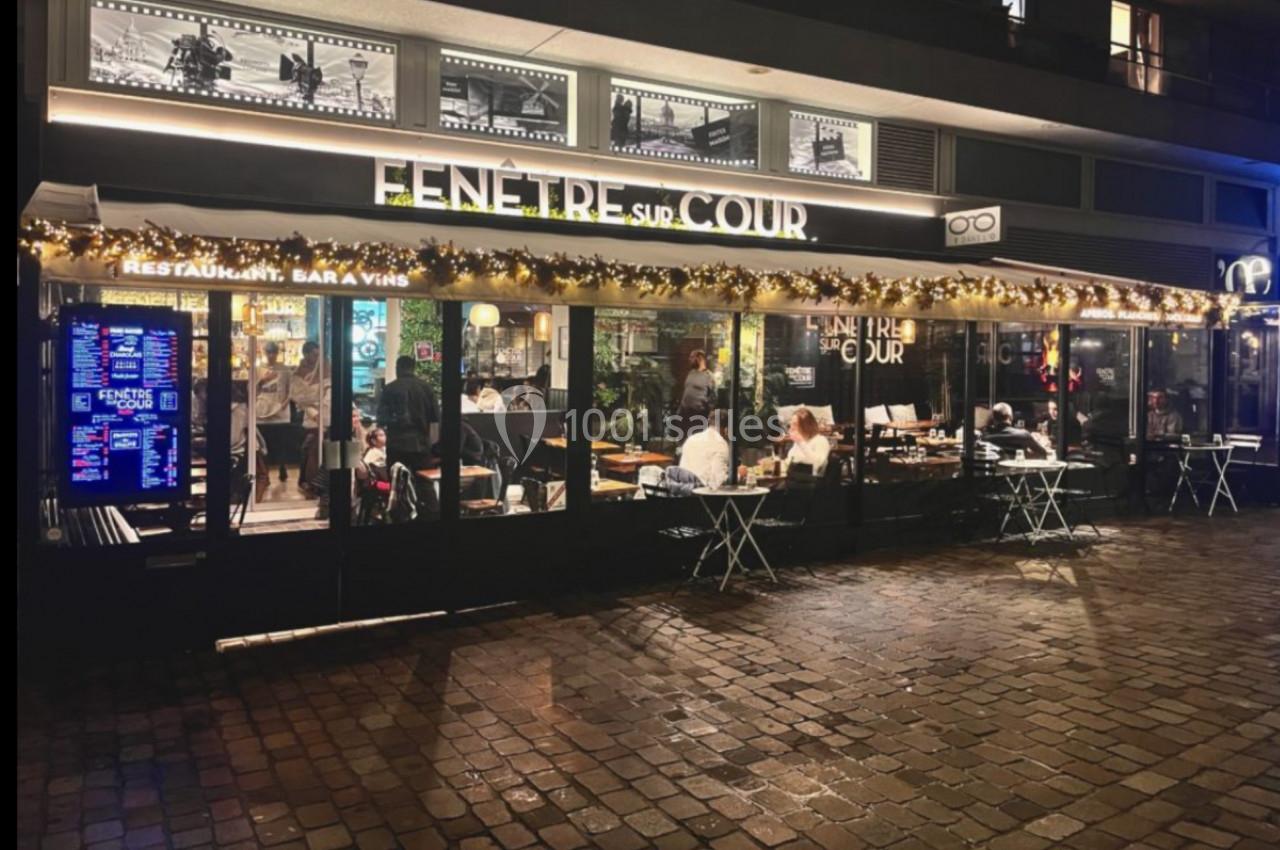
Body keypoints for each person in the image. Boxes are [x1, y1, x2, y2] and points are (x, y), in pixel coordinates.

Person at [378, 355, 439, 473]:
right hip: (420, 444)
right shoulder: (426, 388)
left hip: (396, 445)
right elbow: (435, 419)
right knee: (424, 482)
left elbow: (381, 418)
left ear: (398, 368)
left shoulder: (389, 389)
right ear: (413, 368)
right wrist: (433, 446)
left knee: (397, 483)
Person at [678, 409, 730, 490]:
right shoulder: (720, 444)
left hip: (681, 490)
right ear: (726, 429)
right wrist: (738, 475)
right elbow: (718, 481)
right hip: (702, 494)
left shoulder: (691, 439)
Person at [677, 349, 716, 434]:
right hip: (685, 414)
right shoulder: (691, 373)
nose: (690, 360)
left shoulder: (708, 376)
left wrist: (708, 410)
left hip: (699, 414)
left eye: (692, 357)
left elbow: (712, 396)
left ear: (700, 359)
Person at [787, 408, 831, 474]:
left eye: (795, 424)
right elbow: (790, 460)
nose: (791, 428)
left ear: (806, 425)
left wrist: (801, 442)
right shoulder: (799, 442)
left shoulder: (821, 440)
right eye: (791, 424)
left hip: (811, 481)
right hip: (795, 478)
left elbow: (817, 464)